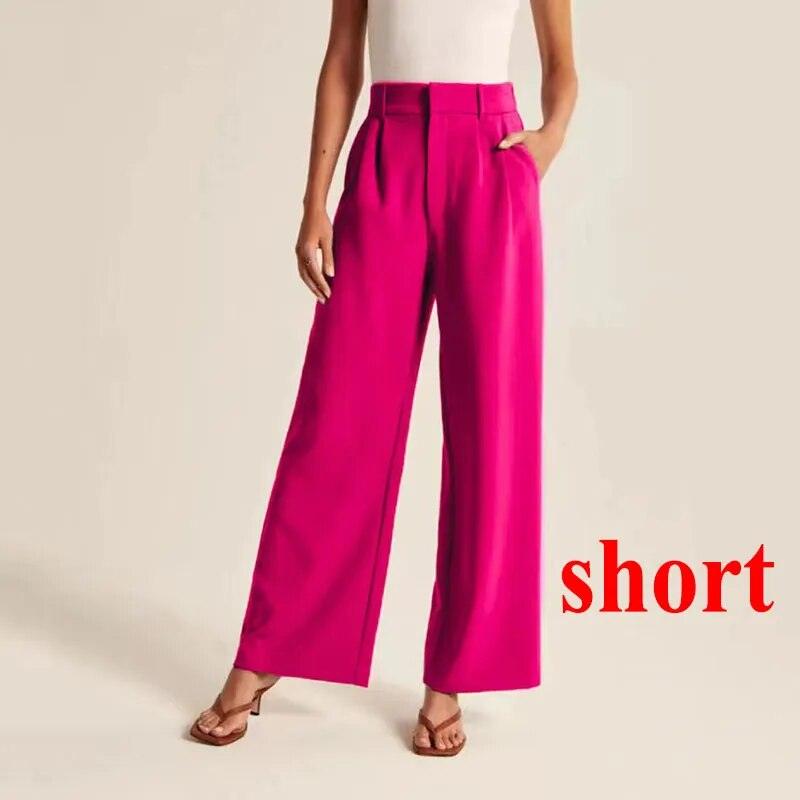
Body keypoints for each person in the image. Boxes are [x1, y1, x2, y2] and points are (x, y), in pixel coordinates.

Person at [191, 0, 577, 756]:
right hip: (386, 153)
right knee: (337, 417)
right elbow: (343, 60)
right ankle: (267, 651)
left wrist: (549, 139)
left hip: (490, 158)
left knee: (491, 426)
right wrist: (315, 201)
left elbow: (562, 64)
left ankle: (453, 677)